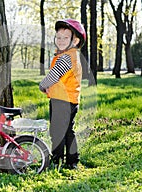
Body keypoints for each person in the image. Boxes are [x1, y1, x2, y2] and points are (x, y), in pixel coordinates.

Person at [39, 18, 86, 169]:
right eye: (58, 37)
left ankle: (57, 160)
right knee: (67, 131)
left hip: (62, 102)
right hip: (70, 100)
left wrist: (42, 85)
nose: (60, 40)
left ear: (76, 40)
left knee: (58, 131)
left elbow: (54, 76)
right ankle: (72, 161)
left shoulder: (66, 57)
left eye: (66, 38)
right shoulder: (71, 55)